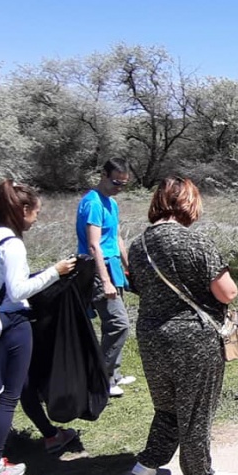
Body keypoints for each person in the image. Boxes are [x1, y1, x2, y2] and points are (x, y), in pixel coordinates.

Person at [126, 177, 238, 475]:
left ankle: (149, 462)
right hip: (193, 337)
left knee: (168, 405)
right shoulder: (195, 241)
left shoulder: (138, 245)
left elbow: (139, 287)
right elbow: (227, 292)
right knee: (196, 409)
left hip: (151, 335)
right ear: (188, 204)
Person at [0, 179, 77, 475]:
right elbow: (18, 290)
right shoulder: (13, 244)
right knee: (10, 397)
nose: (36, 219)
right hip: (14, 324)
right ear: (23, 209)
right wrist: (55, 272)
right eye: (36, 213)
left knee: (25, 386)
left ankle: (51, 435)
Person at [76, 157, 133, 397]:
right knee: (119, 324)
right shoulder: (93, 203)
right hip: (99, 269)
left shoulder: (112, 203)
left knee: (114, 324)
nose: (118, 188)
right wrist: (106, 280)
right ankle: (101, 380)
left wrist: (129, 267)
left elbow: (117, 238)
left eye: (123, 184)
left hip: (113, 267)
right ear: (103, 175)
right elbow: (93, 245)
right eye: (115, 182)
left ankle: (114, 374)